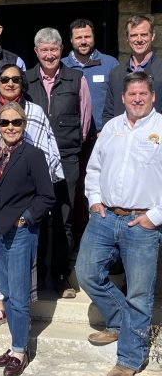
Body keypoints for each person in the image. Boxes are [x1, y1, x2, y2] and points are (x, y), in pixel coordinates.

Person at [76, 71, 162, 376]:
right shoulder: (112, 127)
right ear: (123, 98)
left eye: (143, 94)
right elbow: (94, 168)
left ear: (152, 96)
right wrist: (95, 200)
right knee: (86, 273)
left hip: (142, 222)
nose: (137, 99)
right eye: (132, 94)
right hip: (105, 216)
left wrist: (155, 216)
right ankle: (119, 321)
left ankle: (130, 358)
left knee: (139, 293)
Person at [0, 63, 63, 329]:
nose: (10, 84)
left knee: (20, 273)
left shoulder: (34, 112)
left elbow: (47, 156)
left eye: (15, 79)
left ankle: (19, 324)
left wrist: (28, 209)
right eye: (4, 79)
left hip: (22, 204)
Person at [0, 102, 55, 376]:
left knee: (20, 296)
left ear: (24, 124)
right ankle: (14, 347)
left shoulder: (33, 155)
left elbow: (46, 196)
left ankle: (21, 352)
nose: (10, 127)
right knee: (7, 292)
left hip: (21, 234)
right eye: (4, 122)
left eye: (16, 122)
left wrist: (24, 219)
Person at [26, 28, 91, 298]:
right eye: (44, 50)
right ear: (36, 52)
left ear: (62, 50)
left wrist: (68, 144)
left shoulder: (77, 79)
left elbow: (85, 123)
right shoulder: (26, 80)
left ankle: (61, 276)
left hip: (66, 157)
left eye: (54, 49)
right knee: (37, 218)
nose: (50, 54)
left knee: (64, 217)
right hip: (34, 159)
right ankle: (38, 275)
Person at [62, 18, 119, 241]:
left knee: (102, 187)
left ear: (93, 37)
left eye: (87, 36)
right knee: (76, 189)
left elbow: (117, 99)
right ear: (71, 40)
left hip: (102, 138)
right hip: (73, 140)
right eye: (78, 37)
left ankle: (103, 238)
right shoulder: (62, 65)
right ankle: (78, 238)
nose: (83, 41)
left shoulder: (110, 63)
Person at [103, 14, 162, 124]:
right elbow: (109, 113)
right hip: (121, 133)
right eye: (134, 35)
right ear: (127, 38)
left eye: (144, 34)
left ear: (152, 36)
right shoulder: (116, 73)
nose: (139, 40)